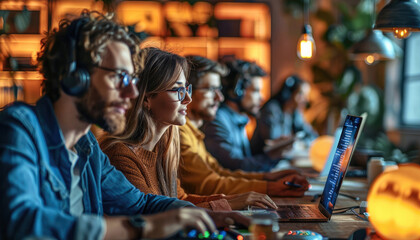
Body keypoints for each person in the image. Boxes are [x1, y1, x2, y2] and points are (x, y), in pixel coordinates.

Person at [0, 12, 246, 240]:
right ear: (77, 76)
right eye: (120, 77)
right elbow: (21, 221)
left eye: (132, 79)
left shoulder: (87, 147)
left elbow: (140, 204)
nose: (132, 92)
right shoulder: (19, 129)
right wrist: (143, 227)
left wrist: (206, 216)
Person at [99, 47, 277, 211]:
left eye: (186, 89)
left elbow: (180, 199)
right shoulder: (120, 155)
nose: (187, 99)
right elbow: (155, 216)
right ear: (146, 98)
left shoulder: (164, 146)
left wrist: (232, 200)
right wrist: (227, 204)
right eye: (177, 90)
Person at [179, 55, 309, 197]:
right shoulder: (193, 129)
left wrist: (269, 178)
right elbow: (210, 182)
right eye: (210, 89)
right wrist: (271, 185)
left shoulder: (194, 132)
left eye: (218, 89)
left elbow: (219, 172)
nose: (219, 97)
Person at [202, 58, 281, 172]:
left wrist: (272, 149)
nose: (262, 98)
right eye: (255, 91)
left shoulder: (239, 119)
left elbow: (245, 159)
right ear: (236, 91)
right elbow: (237, 166)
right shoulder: (217, 120)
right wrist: (271, 157)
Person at [251, 75, 317, 155]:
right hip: (262, 160)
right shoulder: (272, 109)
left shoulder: (294, 113)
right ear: (288, 93)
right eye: (301, 94)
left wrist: (301, 143)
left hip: (279, 159)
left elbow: (312, 135)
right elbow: (275, 142)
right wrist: (296, 142)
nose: (305, 99)